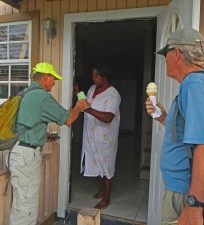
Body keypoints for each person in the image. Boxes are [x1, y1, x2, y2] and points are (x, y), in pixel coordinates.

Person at [145, 28, 204, 225]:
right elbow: (192, 132)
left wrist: (193, 206)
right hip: (184, 189)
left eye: (166, 54)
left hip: (185, 193)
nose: (165, 60)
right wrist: (164, 117)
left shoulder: (194, 84)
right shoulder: (202, 82)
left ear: (177, 54)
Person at [7, 62, 90, 225]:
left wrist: (40, 134)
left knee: (20, 205)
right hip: (26, 156)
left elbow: (26, 122)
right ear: (46, 77)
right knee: (26, 208)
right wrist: (79, 107)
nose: (54, 83)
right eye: (53, 79)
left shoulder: (25, 93)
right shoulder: (42, 96)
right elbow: (67, 119)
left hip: (15, 151)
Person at [80, 63, 121, 210]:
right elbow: (86, 102)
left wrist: (89, 110)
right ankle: (102, 189)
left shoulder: (113, 94)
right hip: (91, 134)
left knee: (106, 167)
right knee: (96, 162)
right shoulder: (92, 89)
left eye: (98, 75)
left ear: (106, 76)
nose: (94, 78)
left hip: (105, 138)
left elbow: (108, 118)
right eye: (93, 75)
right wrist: (78, 94)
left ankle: (107, 197)